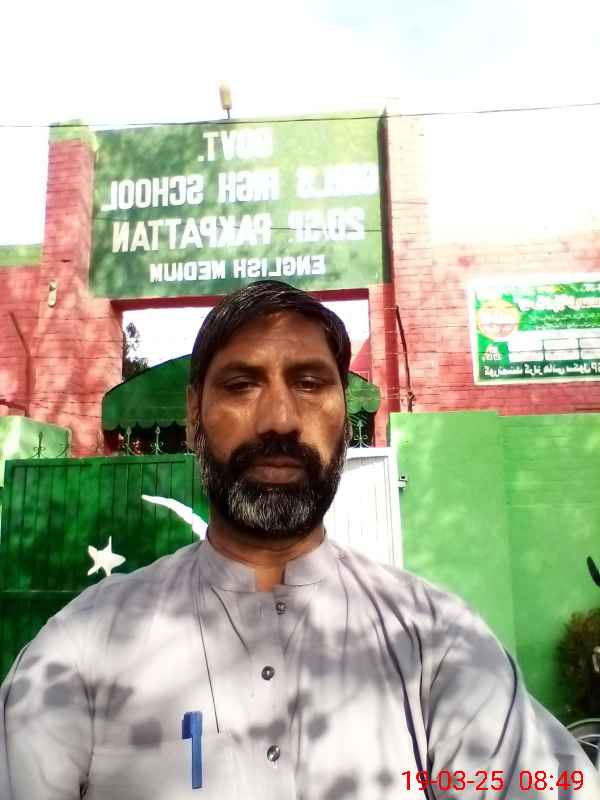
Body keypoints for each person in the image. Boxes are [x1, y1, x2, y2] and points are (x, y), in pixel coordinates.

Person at [0, 280, 597, 800]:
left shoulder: (437, 644)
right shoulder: (83, 647)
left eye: (309, 383)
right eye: (241, 385)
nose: (280, 419)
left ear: (344, 414)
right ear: (194, 414)